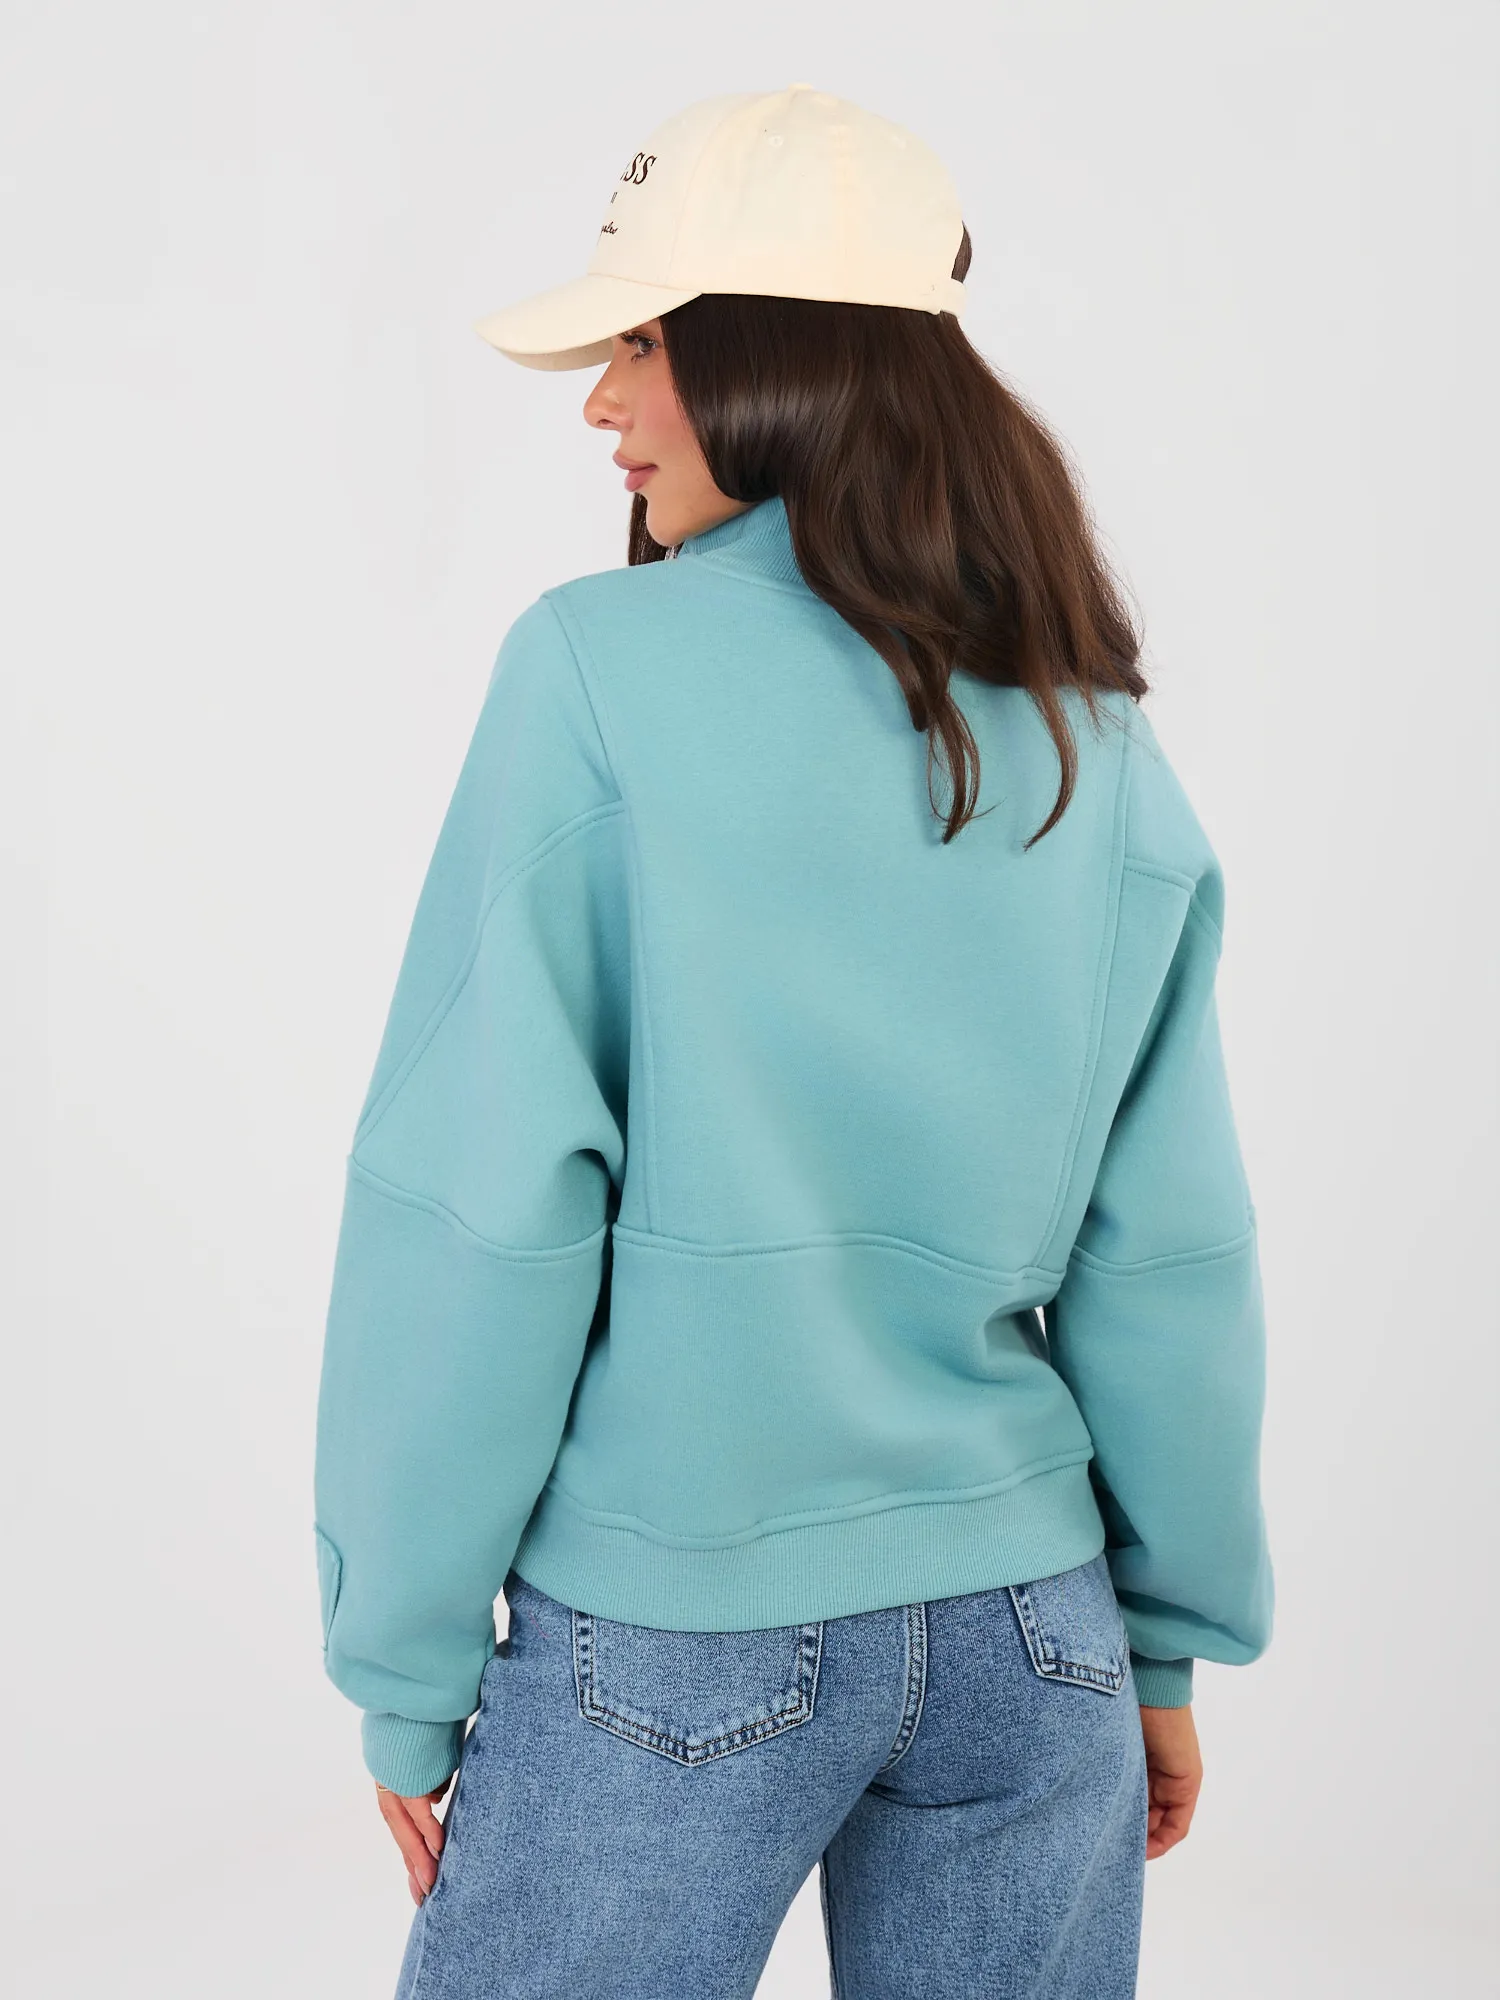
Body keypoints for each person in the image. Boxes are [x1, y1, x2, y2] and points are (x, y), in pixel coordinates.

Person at [312, 83, 1274, 1999]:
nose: (603, 404)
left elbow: (482, 1211)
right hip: (1033, 1638)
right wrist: (1158, 1644)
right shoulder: (1090, 729)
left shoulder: (594, 672)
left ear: (773, 358)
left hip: (676, 1630)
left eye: (642, 344)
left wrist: (404, 1664)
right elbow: (1169, 1248)